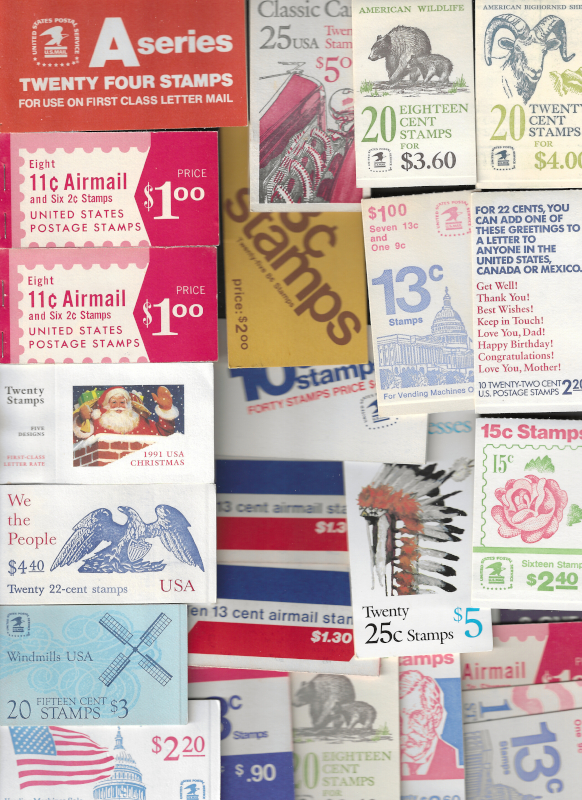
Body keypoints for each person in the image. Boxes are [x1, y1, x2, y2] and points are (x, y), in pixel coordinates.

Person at [400, 669, 464, 779]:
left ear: (436, 716)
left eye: (417, 716)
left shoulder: (455, 757)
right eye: (399, 719)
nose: (405, 730)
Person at [73, 386, 178, 441]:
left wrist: (166, 410)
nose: (118, 406)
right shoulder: (97, 422)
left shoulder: (139, 421)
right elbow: (77, 441)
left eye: (122, 402)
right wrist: (80, 420)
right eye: (114, 402)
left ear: (128, 405)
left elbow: (164, 432)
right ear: (106, 405)